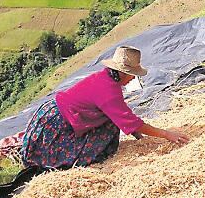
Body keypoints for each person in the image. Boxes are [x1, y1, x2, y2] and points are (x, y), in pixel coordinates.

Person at [21, 46, 189, 170]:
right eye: (132, 75)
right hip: (56, 125)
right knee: (101, 137)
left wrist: (138, 135)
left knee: (111, 123)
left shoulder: (105, 78)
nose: (132, 79)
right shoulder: (108, 90)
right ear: (122, 72)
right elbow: (131, 122)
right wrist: (166, 134)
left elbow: (124, 118)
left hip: (54, 113)